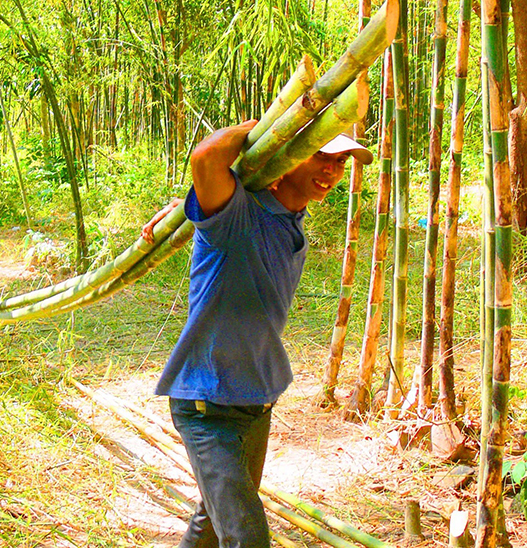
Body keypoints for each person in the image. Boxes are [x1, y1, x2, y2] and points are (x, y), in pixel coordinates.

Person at [143, 124, 372, 548]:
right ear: (287, 155)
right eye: (321, 154)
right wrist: (282, 122)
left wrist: (192, 209)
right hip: (206, 406)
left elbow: (218, 202)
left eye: (340, 162)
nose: (332, 169)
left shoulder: (288, 215)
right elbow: (206, 159)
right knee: (247, 538)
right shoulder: (236, 215)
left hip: (255, 401)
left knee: (212, 518)